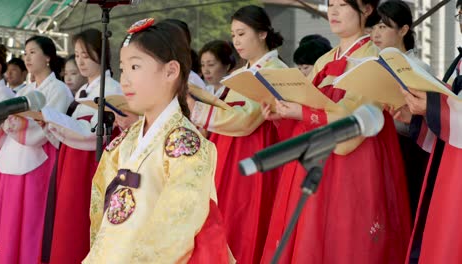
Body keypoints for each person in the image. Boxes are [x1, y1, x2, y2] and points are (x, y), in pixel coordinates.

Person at [261, 0, 412, 263]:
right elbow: (303, 106)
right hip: (314, 160)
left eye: (342, 5)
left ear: (365, 9)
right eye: (331, 4)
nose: (333, 11)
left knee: (346, 242)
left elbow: (353, 125)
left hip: (353, 164)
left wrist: (302, 112)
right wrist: (282, 113)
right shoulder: (324, 60)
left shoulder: (375, 58)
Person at [83, 18, 231, 263]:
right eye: (123, 69)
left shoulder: (187, 146)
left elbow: (174, 232)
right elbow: (101, 211)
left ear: (171, 71)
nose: (125, 80)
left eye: (135, 67)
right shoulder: (124, 142)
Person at [187, 5, 287, 263]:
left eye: (242, 33)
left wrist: (197, 108)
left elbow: (246, 120)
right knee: (225, 222)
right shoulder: (243, 72)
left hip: (252, 155)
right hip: (229, 154)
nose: (236, 41)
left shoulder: (274, 70)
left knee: (244, 225)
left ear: (262, 33)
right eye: (233, 35)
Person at [39, 28, 122, 264]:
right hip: (71, 160)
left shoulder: (111, 89)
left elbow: (95, 135)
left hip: (88, 166)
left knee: (77, 226)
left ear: (101, 53)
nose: (81, 61)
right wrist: (49, 123)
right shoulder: (85, 90)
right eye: (77, 55)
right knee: (65, 224)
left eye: (86, 54)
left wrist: (54, 119)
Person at [0, 36, 73, 264]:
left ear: (48, 57)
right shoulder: (25, 89)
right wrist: (14, 124)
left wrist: (15, 125)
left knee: (29, 223)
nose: (27, 57)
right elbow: (8, 121)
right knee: (6, 222)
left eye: (33, 52)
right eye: (25, 53)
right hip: (11, 158)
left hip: (36, 161)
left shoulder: (59, 89)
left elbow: (47, 127)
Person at [400, 1, 462, 262]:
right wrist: (420, 114)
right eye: (460, 15)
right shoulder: (460, 61)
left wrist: (433, 108)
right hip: (451, 164)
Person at [371, 0, 431, 220]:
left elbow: (429, 123)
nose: (376, 32)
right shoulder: (371, 65)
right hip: (377, 150)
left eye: (384, 26)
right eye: (374, 26)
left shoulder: (419, 69)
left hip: (406, 153)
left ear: (404, 30)